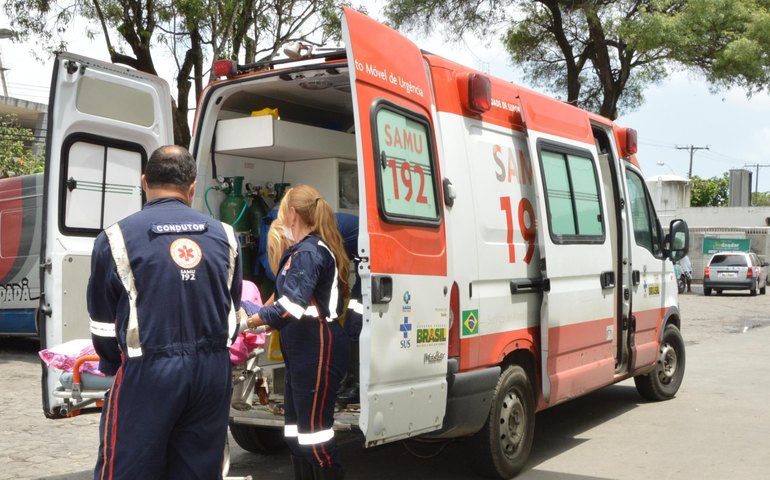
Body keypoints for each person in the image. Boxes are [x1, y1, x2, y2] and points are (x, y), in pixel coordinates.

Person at [87, 145, 242, 480]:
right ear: (192, 188)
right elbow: (232, 313)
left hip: (148, 373)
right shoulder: (226, 236)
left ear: (144, 182)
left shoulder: (115, 238)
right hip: (212, 374)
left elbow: (102, 327)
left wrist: (116, 365)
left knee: (129, 469)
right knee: (199, 469)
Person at [244, 185, 349, 480]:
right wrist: (256, 316)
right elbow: (281, 303)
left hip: (317, 348)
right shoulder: (301, 252)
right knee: (295, 436)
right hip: (302, 348)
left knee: (314, 438)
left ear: (292, 214)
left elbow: (290, 306)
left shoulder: (308, 253)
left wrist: (248, 322)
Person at [334, 212, 362, 406]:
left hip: (374, 267)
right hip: (365, 268)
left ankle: (357, 385)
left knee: (355, 327)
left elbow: (337, 270)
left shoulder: (326, 232)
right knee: (349, 326)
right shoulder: (328, 223)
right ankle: (348, 380)